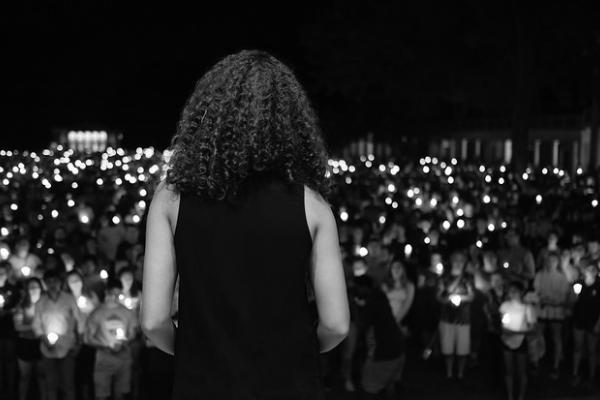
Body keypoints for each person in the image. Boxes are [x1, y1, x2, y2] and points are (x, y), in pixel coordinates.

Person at [140, 49, 350, 399]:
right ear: (290, 123)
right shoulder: (313, 206)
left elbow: (152, 322)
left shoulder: (170, 199)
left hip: (204, 385)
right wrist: (292, 357)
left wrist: (196, 354)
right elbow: (337, 324)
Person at [32, 269, 85, 400]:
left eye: (55, 281)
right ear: (44, 284)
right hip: (48, 349)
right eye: (49, 282)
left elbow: (79, 320)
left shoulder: (69, 299)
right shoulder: (40, 303)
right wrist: (44, 340)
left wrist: (79, 343)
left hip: (68, 347)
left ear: (60, 282)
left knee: (68, 385)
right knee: (51, 384)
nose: (52, 284)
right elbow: (36, 325)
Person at [85, 279, 139, 400]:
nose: (114, 297)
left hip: (123, 359)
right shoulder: (97, 313)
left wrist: (125, 342)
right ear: (106, 292)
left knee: (120, 394)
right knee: (101, 394)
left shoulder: (127, 312)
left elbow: (133, 333)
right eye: (111, 293)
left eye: (117, 294)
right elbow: (88, 338)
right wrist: (106, 346)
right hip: (104, 360)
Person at [437, 250, 474, 380]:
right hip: (446, 317)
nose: (458, 263)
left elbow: (471, 296)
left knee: (462, 348)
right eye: (456, 260)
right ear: (451, 262)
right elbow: (439, 296)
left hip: (463, 318)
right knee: (447, 346)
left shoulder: (468, 278)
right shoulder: (444, 277)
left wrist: (458, 298)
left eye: (461, 261)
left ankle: (460, 373)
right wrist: (449, 299)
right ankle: (449, 372)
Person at [533, 252, 570, 379]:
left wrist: (552, 301)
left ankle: (556, 365)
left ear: (557, 262)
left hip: (556, 311)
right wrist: (547, 300)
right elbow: (537, 293)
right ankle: (536, 362)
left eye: (553, 261)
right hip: (543, 310)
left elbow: (563, 296)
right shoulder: (539, 275)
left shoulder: (561, 277)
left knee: (556, 337)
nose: (550, 263)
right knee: (538, 336)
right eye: (548, 260)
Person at [65, 270, 100, 400]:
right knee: (75, 373)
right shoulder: (66, 298)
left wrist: (90, 311)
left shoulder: (91, 296)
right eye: (71, 280)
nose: (75, 283)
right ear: (67, 283)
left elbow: (99, 314)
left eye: (77, 280)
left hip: (89, 338)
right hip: (73, 339)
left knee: (90, 371)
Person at [380, 259, 414, 390]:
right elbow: (381, 305)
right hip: (385, 321)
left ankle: (397, 377)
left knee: (400, 350)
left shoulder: (409, 286)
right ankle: (385, 378)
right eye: (393, 267)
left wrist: (396, 322)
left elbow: (407, 305)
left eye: (399, 267)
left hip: (400, 321)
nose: (396, 270)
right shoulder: (385, 285)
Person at [499, 280, 537, 400]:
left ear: (521, 292)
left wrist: (517, 332)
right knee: (508, 370)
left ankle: (521, 396)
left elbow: (532, 328)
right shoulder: (505, 306)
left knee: (521, 371)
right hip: (506, 340)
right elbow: (502, 324)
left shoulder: (527, 308)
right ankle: (510, 396)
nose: (512, 294)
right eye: (510, 291)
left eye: (515, 291)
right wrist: (506, 330)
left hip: (521, 341)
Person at [13, 277, 44, 400]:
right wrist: (35, 326)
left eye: (36, 287)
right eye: (31, 287)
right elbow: (18, 326)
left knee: (42, 375)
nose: (34, 290)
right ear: (26, 290)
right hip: (25, 344)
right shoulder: (21, 306)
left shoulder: (45, 304)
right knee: (25, 375)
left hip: (41, 343)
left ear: (41, 288)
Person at [570, 261, 600, 387]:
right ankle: (576, 373)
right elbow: (571, 302)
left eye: (592, 269)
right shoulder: (579, 283)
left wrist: (598, 324)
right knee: (578, 347)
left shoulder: (599, 285)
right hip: (579, 320)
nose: (589, 271)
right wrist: (574, 296)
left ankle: (591, 376)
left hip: (593, 321)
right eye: (588, 269)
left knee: (591, 350)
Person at [0, 261, 20, 400]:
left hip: (8, 329)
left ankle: (11, 388)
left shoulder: (13, 289)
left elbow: (18, 307)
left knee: (9, 359)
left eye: (2, 273)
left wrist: (8, 312)